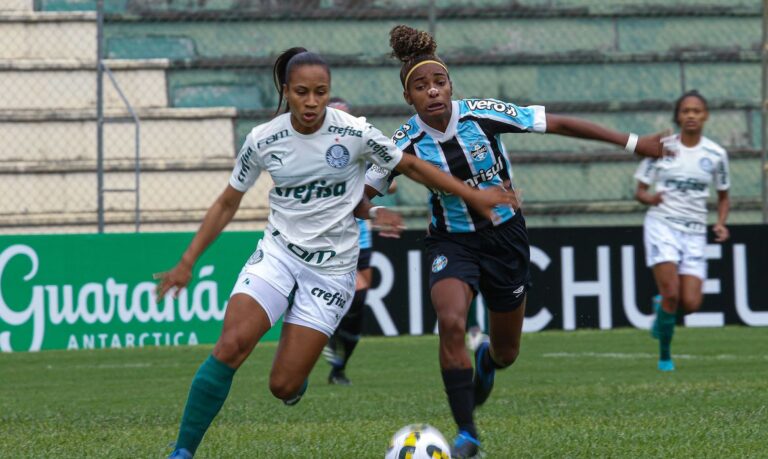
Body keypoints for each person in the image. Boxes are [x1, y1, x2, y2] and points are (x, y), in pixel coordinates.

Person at [157, 46, 514, 459]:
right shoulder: (263, 139)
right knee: (232, 345)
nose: (312, 102)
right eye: (303, 92)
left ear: (329, 93)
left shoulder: (354, 133)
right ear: (287, 91)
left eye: (321, 92)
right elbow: (226, 203)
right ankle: (182, 452)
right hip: (278, 255)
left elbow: (411, 168)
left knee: (283, 386)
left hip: (331, 272)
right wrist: (187, 262)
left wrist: (473, 195)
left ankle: (298, 374)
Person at [365, 25, 668, 458]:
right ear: (408, 98)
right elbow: (360, 195)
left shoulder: (482, 114)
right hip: (452, 243)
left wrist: (634, 142)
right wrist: (376, 211)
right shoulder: (402, 143)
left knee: (507, 353)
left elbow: (557, 122)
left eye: (439, 82)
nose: (432, 91)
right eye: (420, 86)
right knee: (451, 321)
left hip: (506, 238)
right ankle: (467, 435)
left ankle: (486, 358)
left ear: (451, 85)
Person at [635, 90, 730, 372]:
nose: (691, 115)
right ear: (678, 116)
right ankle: (665, 355)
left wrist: (721, 222)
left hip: (695, 231)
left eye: (697, 111)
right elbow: (640, 191)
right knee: (672, 294)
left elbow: (723, 195)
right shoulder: (662, 148)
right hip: (662, 224)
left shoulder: (716, 154)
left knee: (690, 304)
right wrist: (650, 198)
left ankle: (661, 308)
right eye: (686, 110)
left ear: (706, 116)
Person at [322, 96, 399, 386]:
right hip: (330, 237)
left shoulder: (361, 146)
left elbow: (390, 183)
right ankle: (324, 339)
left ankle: (338, 364)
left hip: (360, 235)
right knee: (345, 295)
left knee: (359, 299)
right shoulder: (317, 152)